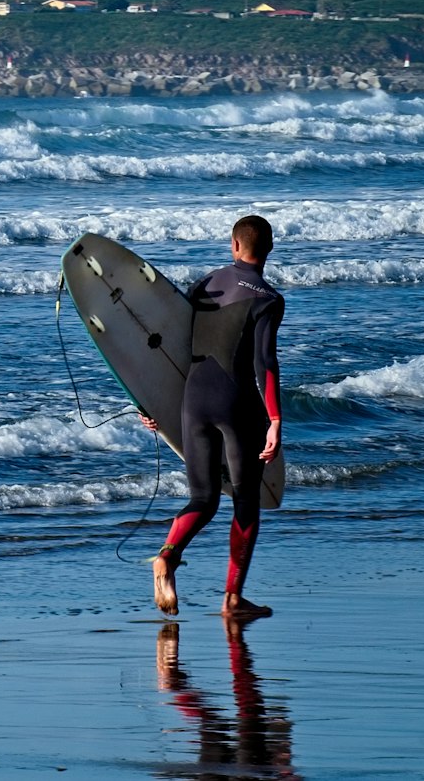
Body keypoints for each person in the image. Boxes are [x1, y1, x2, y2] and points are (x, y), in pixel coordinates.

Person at [147, 215, 284, 619]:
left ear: (234, 245)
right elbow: (264, 363)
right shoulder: (269, 299)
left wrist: (149, 403)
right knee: (246, 500)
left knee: (203, 499)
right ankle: (233, 598)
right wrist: (275, 420)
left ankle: (167, 556)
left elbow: (168, 343)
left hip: (192, 401)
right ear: (269, 248)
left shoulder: (205, 283)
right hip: (235, 403)